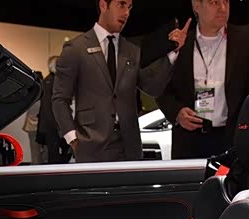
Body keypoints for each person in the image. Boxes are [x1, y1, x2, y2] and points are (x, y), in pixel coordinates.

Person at [52, 0, 189, 163]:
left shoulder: (132, 50)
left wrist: (173, 53)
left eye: (129, 7)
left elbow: (152, 88)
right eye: (121, 5)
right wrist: (72, 139)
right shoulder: (76, 48)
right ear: (103, 5)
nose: (126, 13)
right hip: (90, 146)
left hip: (129, 147)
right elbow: (60, 99)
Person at [156, 0, 249, 160]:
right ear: (196, 5)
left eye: (226, 1)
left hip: (232, 139)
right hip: (189, 140)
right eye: (214, 2)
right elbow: (159, 89)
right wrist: (177, 113)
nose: (223, 8)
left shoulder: (247, 41)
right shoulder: (180, 43)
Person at [37, 56, 72, 164]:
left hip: (51, 124)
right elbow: (51, 106)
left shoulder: (48, 81)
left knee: (56, 152)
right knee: (57, 153)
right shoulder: (52, 82)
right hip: (54, 125)